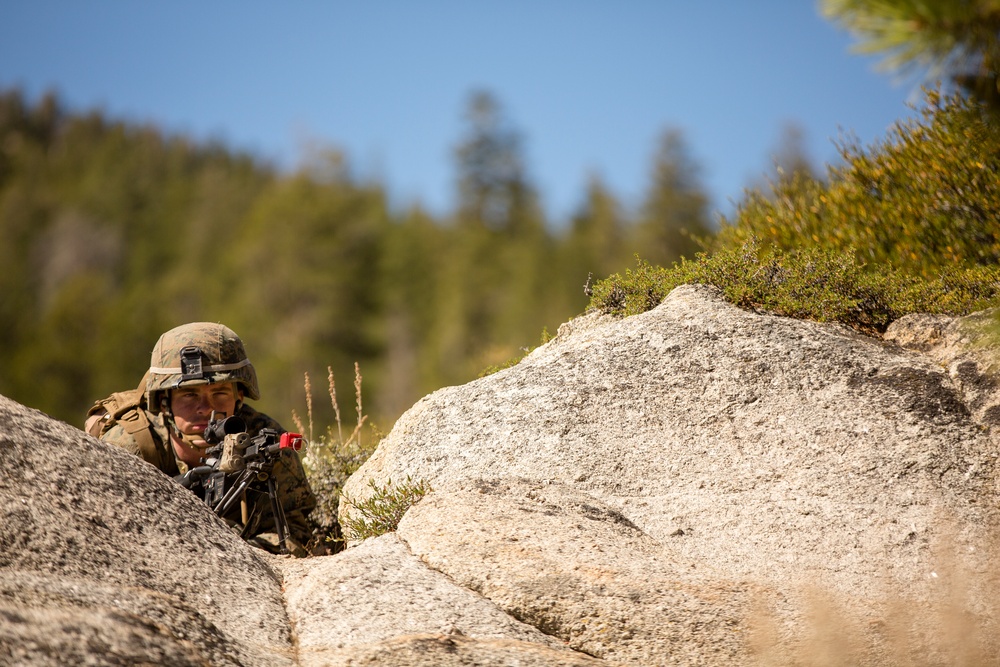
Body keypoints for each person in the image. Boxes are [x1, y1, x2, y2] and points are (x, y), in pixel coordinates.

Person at [87, 322, 318, 556]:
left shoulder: (264, 442)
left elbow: (295, 532)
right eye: (189, 394)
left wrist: (246, 552)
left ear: (239, 397)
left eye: (219, 393)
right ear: (164, 401)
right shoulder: (132, 446)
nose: (205, 408)